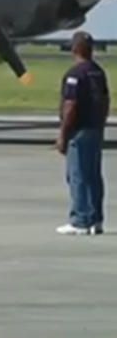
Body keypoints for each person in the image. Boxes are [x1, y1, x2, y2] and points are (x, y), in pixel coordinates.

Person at [56, 31, 110, 236]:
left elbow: (71, 105)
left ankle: (80, 220)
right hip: (95, 128)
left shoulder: (75, 74)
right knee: (93, 176)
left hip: (79, 130)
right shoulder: (97, 72)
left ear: (75, 48)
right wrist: (100, 123)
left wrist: (63, 134)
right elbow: (106, 101)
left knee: (78, 176)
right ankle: (95, 219)